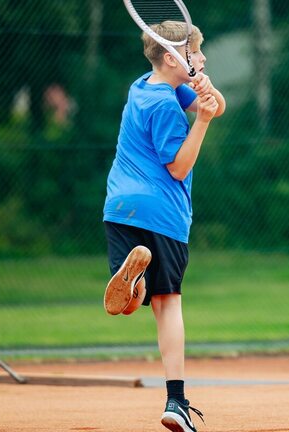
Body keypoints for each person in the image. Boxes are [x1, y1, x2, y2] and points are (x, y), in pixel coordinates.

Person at [102, 20, 225, 432]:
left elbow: (216, 104)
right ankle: (176, 401)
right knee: (168, 302)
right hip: (162, 213)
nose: (204, 58)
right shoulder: (167, 107)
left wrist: (208, 97)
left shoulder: (144, 86)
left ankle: (131, 285)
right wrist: (203, 122)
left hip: (119, 207)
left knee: (136, 302)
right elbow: (178, 167)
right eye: (196, 52)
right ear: (173, 58)